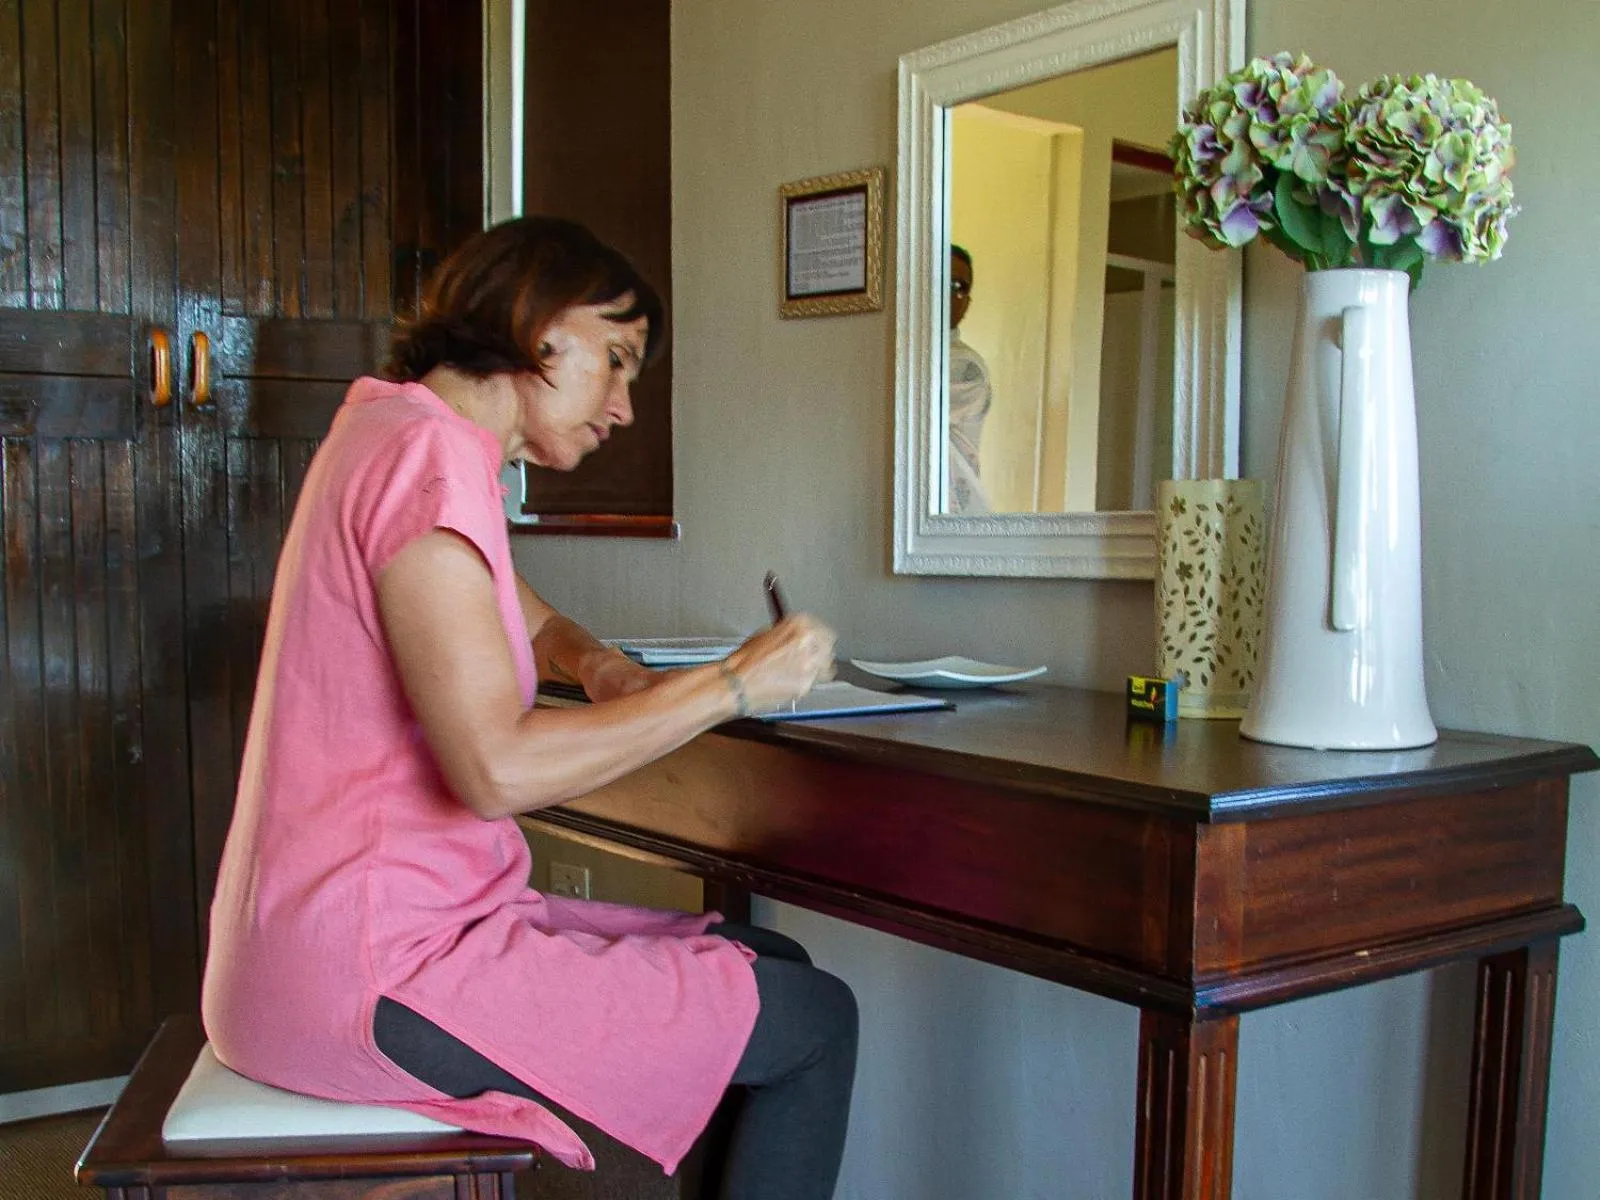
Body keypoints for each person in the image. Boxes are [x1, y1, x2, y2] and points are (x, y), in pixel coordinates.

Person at [201, 216, 858, 1200]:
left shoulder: (398, 432)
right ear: (538, 326)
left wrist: (595, 664)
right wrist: (733, 685)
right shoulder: (427, 466)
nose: (626, 406)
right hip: (371, 975)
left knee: (767, 956)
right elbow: (494, 769)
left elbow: (509, 599)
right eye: (618, 360)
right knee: (817, 1025)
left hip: (321, 950)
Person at [947, 244, 993, 514]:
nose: (952, 294)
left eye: (960, 286)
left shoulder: (966, 367)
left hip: (953, 516)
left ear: (968, 301)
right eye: (944, 281)